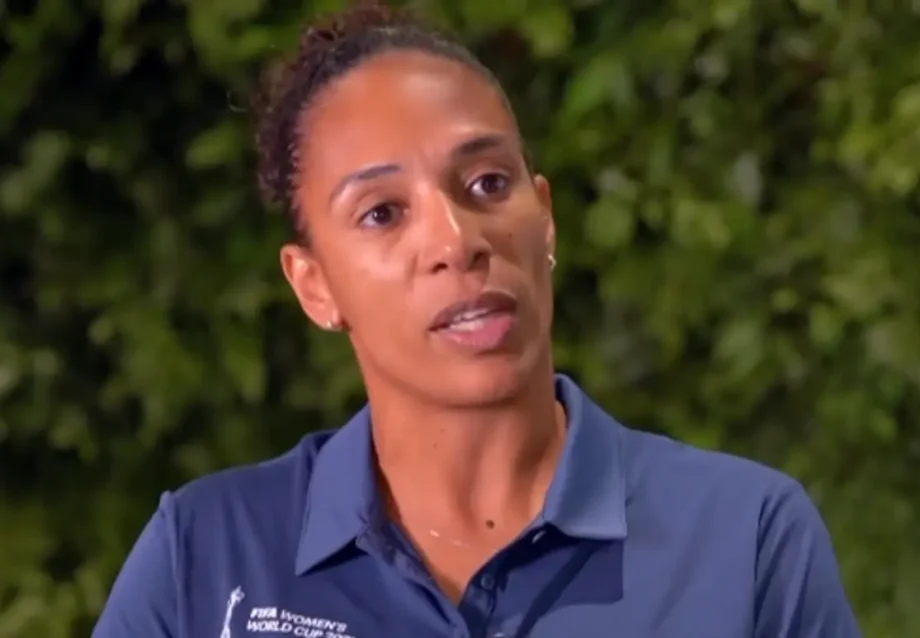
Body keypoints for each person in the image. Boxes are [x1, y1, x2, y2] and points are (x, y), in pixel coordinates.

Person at [93, 2, 861, 637]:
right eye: (382, 212)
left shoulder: (742, 540)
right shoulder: (207, 557)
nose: (456, 242)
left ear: (545, 218)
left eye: (488, 183)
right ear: (315, 286)